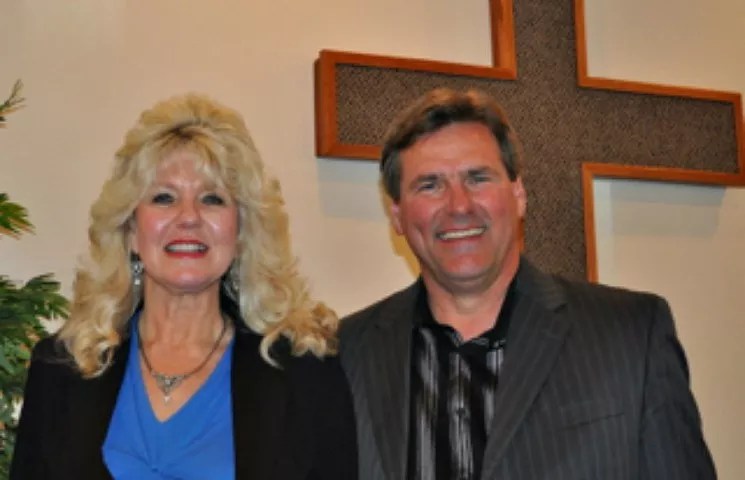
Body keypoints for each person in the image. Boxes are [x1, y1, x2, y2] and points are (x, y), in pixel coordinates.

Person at [339, 88, 715, 480]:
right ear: (397, 216)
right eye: (430, 185)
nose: (459, 206)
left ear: (518, 195)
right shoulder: (347, 354)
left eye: (478, 178)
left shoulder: (632, 335)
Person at [11, 94, 357, 479]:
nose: (189, 217)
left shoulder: (304, 369)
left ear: (241, 232)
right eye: (164, 197)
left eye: (212, 199)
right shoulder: (61, 366)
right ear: (130, 230)